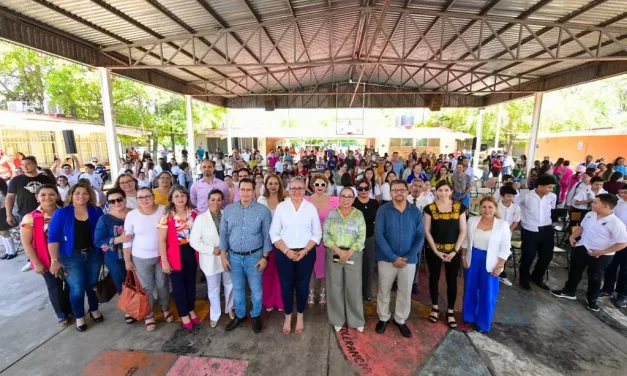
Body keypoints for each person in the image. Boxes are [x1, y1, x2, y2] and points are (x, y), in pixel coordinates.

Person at [551, 194, 627, 312]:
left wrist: (602, 251)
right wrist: (573, 236)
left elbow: (622, 243)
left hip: (600, 254)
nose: (592, 204)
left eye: (595, 202)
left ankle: (592, 299)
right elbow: (582, 228)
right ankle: (569, 291)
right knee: (574, 271)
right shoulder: (590, 215)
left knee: (595, 277)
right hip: (583, 246)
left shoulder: (616, 223)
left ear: (605, 206)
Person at [47, 181, 104, 332]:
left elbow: (102, 232)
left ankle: (93, 309)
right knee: (77, 288)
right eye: (77, 193)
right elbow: (53, 237)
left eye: (85, 193)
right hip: (70, 257)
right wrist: (54, 260)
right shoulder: (62, 213)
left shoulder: (96, 211)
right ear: (71, 195)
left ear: (90, 195)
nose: (81, 196)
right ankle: (79, 315)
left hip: (93, 255)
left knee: (91, 284)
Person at [220, 178, 273, 333]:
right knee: (237, 288)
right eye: (242, 189)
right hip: (234, 257)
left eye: (249, 190)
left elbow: (266, 236)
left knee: (256, 288)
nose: (245, 193)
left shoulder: (263, 211)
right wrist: (223, 256)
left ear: (254, 192)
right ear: (238, 191)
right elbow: (223, 234)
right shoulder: (229, 210)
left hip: (255, 257)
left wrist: (265, 257)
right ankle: (240, 314)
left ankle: (256, 315)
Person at [270, 177, 322, 334]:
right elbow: (274, 233)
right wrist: (286, 251)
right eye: (293, 188)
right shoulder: (281, 207)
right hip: (284, 252)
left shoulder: (310, 208)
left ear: (304, 190)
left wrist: (305, 251)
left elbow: (317, 233)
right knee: (286, 286)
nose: (297, 191)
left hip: (306, 253)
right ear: (288, 190)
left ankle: (300, 315)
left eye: (300, 188)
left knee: (302, 285)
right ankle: (287, 316)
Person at [374, 179, 424, 338]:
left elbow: (420, 236)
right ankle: (383, 317)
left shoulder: (415, 212)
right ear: (390, 193)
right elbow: (379, 235)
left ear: (407, 191)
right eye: (395, 190)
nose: (398, 193)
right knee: (384, 289)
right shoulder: (383, 210)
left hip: (408, 261)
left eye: (401, 190)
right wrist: (393, 257)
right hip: (386, 259)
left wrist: (409, 257)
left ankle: (400, 319)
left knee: (405, 291)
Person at [20, 184, 72, 326]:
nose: (47, 197)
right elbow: (27, 243)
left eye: (51, 194)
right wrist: (36, 263)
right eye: (43, 195)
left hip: (69, 256)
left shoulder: (66, 212)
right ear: (37, 197)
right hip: (45, 259)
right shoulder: (30, 218)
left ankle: (70, 308)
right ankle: (62, 314)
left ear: (57, 196)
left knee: (71, 285)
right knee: (54, 286)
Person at [123, 187, 172, 331]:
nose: (144, 200)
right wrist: (127, 260)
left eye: (147, 196)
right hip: (141, 258)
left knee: (163, 284)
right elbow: (127, 239)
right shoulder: (132, 215)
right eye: (140, 198)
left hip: (161, 256)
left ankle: (165, 307)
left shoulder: (164, 210)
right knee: (147, 288)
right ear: (137, 200)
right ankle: (149, 314)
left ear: (153, 196)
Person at [461, 196, 512, 333]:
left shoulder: (502, 225)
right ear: (480, 208)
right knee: (469, 289)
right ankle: (468, 317)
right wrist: (464, 256)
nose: (487, 210)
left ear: (495, 209)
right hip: (473, 258)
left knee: (488, 293)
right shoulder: (472, 220)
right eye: (484, 207)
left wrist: (500, 265)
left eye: (490, 207)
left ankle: (483, 323)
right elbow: (466, 240)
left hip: (491, 261)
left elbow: (505, 247)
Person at [423, 180, 467, 329]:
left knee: (452, 281)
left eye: (446, 190)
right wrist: (435, 250)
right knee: (433, 279)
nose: (443, 193)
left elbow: (463, 230)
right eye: (440, 190)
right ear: (436, 191)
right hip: (434, 251)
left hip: (452, 253)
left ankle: (450, 311)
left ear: (451, 191)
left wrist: (455, 251)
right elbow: (427, 230)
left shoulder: (459, 208)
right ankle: (434, 307)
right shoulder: (429, 208)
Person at [190, 189, 235, 328]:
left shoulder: (226, 215)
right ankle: (215, 314)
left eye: (219, 200)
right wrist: (212, 250)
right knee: (214, 288)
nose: (216, 202)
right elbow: (194, 241)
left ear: (223, 201)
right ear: (208, 201)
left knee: (230, 284)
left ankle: (230, 308)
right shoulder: (201, 218)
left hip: (227, 257)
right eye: (213, 199)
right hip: (211, 259)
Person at [324, 187, 366, 332]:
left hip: (353, 254)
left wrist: (348, 252)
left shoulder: (358, 215)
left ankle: (356, 319)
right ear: (339, 197)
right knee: (335, 286)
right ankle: (337, 318)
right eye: (343, 196)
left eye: (349, 197)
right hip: (334, 253)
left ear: (353, 199)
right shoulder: (332, 214)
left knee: (353, 287)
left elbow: (361, 237)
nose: (346, 199)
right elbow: (326, 236)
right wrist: (339, 251)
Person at [157, 186, 200, 331]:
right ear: (171, 199)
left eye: (183, 195)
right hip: (175, 255)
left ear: (187, 197)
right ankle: (183, 314)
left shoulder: (194, 213)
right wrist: (165, 260)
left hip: (191, 252)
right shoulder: (166, 216)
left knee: (191, 284)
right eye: (177, 196)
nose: (180, 199)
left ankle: (191, 308)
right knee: (178, 287)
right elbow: (162, 240)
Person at [94, 188, 133, 322]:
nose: (116, 203)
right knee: (123, 283)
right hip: (116, 258)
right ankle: (129, 310)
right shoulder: (104, 219)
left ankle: (143, 305)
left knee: (140, 282)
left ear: (124, 198)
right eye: (112, 201)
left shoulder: (134, 213)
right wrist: (117, 240)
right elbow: (98, 241)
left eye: (119, 199)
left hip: (138, 255)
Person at [304, 174, 340, 306]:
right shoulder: (305, 200)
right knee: (310, 268)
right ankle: (311, 293)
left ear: (326, 186)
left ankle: (323, 293)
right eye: (317, 184)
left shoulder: (334, 201)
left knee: (325, 267)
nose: (320, 187)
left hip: (327, 240)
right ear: (312, 185)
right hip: (309, 240)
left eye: (323, 184)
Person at [518, 175, 557, 290]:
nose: (551, 190)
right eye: (549, 187)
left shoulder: (552, 197)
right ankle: (524, 279)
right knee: (528, 256)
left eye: (552, 187)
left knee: (546, 256)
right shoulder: (526, 196)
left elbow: (551, 211)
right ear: (540, 186)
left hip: (547, 229)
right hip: (530, 229)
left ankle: (537, 277)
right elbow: (516, 208)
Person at [257, 174, 286, 312]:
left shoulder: (285, 200)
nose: (273, 186)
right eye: (270, 183)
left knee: (281, 274)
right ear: (266, 185)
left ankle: (281, 301)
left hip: (282, 242)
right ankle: (268, 301)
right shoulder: (261, 200)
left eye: (276, 183)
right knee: (267, 273)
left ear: (279, 185)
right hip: (264, 242)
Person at [600, 184, 627, 307]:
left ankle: (623, 293)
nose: (622, 195)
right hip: (614, 239)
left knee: (625, 269)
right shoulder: (619, 203)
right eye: (621, 192)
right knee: (611, 264)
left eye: (625, 193)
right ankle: (607, 288)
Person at [352, 179, 379, 301]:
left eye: (366, 188)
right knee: (355, 266)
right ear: (357, 189)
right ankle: (355, 292)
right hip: (354, 239)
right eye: (360, 188)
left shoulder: (375, 203)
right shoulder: (353, 202)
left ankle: (367, 292)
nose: (363, 191)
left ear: (369, 189)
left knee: (369, 265)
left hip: (369, 237)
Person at [496, 185, 521, 287]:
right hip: (494, 233)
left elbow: (515, 221)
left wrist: (508, 232)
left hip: (507, 234)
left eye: (513, 196)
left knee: (504, 253)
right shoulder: (496, 206)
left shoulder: (516, 207)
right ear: (502, 196)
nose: (511, 199)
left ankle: (502, 275)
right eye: (508, 196)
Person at [0, 178, 16, 260]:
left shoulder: (2, 193)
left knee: (5, 233)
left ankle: (12, 251)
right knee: (2, 234)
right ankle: (7, 251)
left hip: (2, 213)